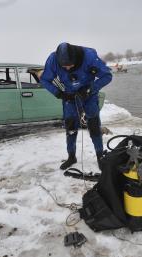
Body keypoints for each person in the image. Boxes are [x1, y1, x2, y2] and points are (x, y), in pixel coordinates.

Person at [40, 42, 112, 170]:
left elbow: (107, 75)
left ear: (76, 60)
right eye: (64, 67)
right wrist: (59, 93)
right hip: (69, 96)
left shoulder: (89, 57)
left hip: (88, 95)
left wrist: (91, 88)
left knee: (94, 125)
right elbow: (45, 80)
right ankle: (71, 156)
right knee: (71, 127)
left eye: (70, 66)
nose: (67, 69)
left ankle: (100, 156)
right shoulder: (53, 59)